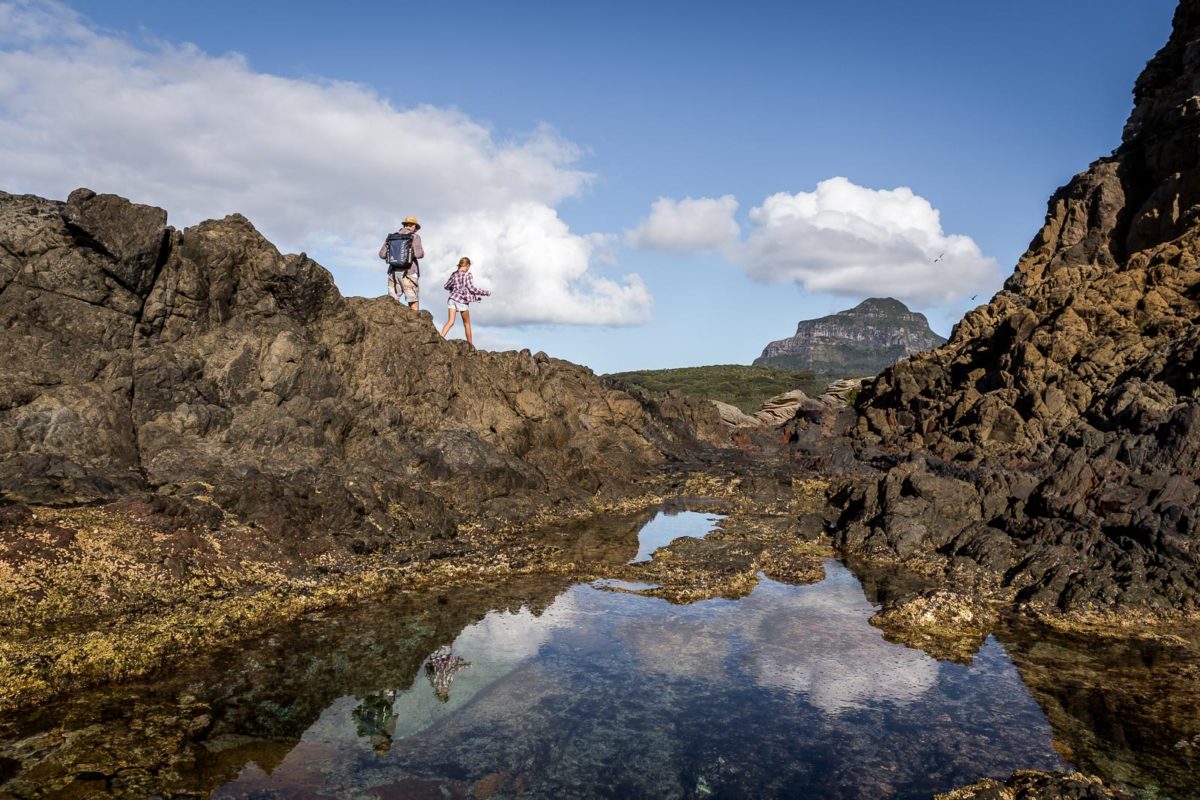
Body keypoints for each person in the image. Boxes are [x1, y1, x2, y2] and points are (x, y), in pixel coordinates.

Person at [440, 257, 490, 345]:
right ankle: (470, 346)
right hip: (462, 301)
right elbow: (472, 289)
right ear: (467, 265)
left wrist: (454, 288)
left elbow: (446, 286)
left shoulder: (454, 274)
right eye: (469, 267)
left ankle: (440, 338)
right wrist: (485, 293)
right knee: (467, 323)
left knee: (450, 321)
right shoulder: (468, 275)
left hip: (452, 299)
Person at [379, 216, 424, 310]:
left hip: (393, 273)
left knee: (393, 300)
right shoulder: (415, 237)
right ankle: (414, 323)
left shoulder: (391, 237)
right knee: (413, 301)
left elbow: (382, 255)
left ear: (404, 225)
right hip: (409, 272)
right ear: (414, 226)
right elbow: (419, 254)